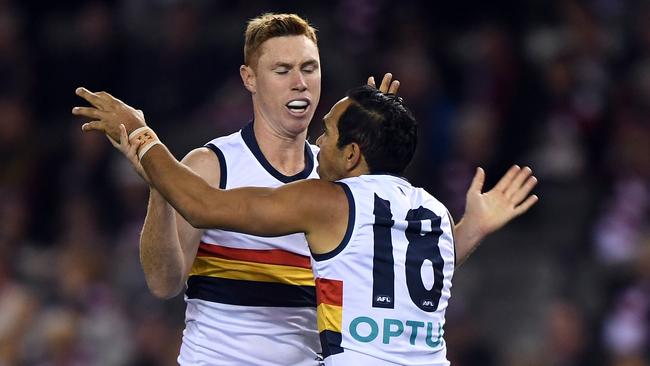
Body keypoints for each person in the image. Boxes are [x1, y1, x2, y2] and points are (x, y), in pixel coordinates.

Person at [73, 83, 538, 365]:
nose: (319, 139)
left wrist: (140, 135)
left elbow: (200, 205)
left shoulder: (326, 201)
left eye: (331, 133)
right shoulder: (433, 211)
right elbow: (419, 272)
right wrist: (473, 225)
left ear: (354, 154)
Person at [75, 13, 399, 365]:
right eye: (282, 70)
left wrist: (376, 155)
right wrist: (161, 188)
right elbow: (163, 282)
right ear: (250, 78)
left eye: (309, 68)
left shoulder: (342, 180)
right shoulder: (210, 167)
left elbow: (391, 276)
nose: (299, 83)